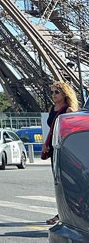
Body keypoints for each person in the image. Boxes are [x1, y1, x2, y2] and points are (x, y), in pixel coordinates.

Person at [42, 81, 77, 225]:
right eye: (52, 92)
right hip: (53, 148)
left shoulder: (68, 110)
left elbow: (72, 132)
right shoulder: (52, 108)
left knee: (65, 182)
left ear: (65, 93)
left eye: (57, 92)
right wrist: (46, 143)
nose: (53, 95)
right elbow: (51, 130)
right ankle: (62, 213)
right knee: (58, 182)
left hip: (64, 149)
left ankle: (64, 214)